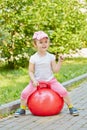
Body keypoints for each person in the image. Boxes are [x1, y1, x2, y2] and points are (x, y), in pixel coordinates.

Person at [15, 31, 79, 117]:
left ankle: (71, 107)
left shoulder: (51, 57)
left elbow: (55, 70)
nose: (44, 44)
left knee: (63, 91)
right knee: (24, 93)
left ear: (48, 43)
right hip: (36, 82)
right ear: (35, 45)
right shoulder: (33, 58)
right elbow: (30, 71)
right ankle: (22, 108)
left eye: (46, 42)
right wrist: (33, 80)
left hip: (50, 81)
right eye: (40, 42)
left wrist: (60, 61)